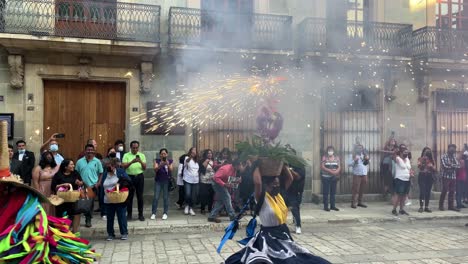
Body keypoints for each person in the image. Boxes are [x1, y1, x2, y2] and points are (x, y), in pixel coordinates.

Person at [223, 165, 330, 264]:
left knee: (304, 258)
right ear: (266, 185)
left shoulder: (279, 195)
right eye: (273, 184)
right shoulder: (261, 197)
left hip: (283, 234)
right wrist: (258, 164)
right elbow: (258, 183)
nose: (276, 186)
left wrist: (281, 162)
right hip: (268, 237)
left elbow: (290, 178)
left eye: (278, 184)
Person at [51, 159, 84, 233]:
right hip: (61, 199)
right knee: (61, 215)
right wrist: (62, 185)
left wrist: (79, 183)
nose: (73, 166)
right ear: (66, 166)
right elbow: (53, 186)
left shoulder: (75, 173)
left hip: (72, 199)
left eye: (73, 164)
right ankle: (62, 231)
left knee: (74, 214)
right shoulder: (58, 175)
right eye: (71, 164)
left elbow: (81, 183)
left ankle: (73, 231)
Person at [76, 144, 104, 227]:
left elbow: (101, 173)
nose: (90, 151)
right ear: (85, 151)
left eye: (91, 150)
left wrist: (98, 183)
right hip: (82, 186)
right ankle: (80, 218)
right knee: (83, 203)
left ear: (94, 151)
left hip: (92, 186)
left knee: (90, 203)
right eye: (88, 150)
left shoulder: (97, 161)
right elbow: (76, 173)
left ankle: (88, 219)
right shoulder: (79, 161)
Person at [104, 158, 131, 241]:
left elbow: (128, 181)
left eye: (110, 166)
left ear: (113, 166)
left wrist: (119, 184)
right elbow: (102, 184)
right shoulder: (105, 174)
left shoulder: (120, 172)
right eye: (107, 166)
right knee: (110, 217)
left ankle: (124, 232)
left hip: (119, 198)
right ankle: (110, 234)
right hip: (108, 198)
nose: (109, 168)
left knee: (121, 216)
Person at [122, 140, 147, 221]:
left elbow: (144, 168)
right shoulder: (126, 155)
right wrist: (132, 162)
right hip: (129, 177)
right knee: (129, 197)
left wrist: (140, 162)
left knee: (140, 196)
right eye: (133, 148)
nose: (135, 149)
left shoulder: (142, 155)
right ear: (130, 147)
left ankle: (141, 215)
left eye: (136, 148)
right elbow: (123, 166)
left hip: (139, 177)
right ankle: (129, 215)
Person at [32, 151, 60, 216]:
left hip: (54, 190)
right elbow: (35, 182)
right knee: (44, 206)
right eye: (47, 157)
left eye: (50, 157)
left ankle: (52, 222)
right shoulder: (38, 168)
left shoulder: (57, 167)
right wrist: (39, 193)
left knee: (53, 206)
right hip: (43, 190)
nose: (49, 158)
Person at [151, 148, 173, 220]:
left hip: (166, 181)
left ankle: (165, 213)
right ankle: (153, 213)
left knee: (165, 198)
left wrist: (167, 164)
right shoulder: (157, 161)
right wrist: (160, 165)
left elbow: (171, 170)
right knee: (156, 197)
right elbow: (155, 170)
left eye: (165, 153)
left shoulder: (170, 161)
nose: (163, 155)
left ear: (167, 154)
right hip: (158, 181)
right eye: (162, 154)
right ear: (160, 154)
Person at [348, 140, 370, 208]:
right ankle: (353, 203)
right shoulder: (352, 155)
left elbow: (367, 163)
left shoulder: (364, 154)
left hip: (364, 174)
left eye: (361, 148)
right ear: (355, 148)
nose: (360, 149)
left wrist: (367, 159)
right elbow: (349, 164)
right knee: (356, 189)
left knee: (362, 189)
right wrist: (355, 160)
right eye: (358, 147)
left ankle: (360, 202)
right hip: (357, 174)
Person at [439, 144, 460, 211]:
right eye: (452, 148)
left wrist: (451, 165)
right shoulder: (443, 156)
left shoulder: (454, 157)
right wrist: (453, 166)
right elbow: (445, 166)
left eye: (454, 149)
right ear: (448, 149)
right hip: (445, 176)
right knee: (444, 190)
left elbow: (458, 166)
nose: (453, 150)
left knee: (452, 191)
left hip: (453, 177)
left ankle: (451, 206)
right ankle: (441, 205)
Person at [392, 148, 413, 216]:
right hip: (400, 179)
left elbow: (409, 168)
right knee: (398, 195)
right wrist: (395, 153)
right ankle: (394, 209)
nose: (406, 153)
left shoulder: (407, 159)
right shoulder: (398, 158)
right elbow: (395, 159)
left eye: (407, 152)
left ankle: (401, 209)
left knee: (404, 195)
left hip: (407, 179)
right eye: (404, 152)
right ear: (401, 153)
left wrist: (411, 174)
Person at [321, 146, 341, 212]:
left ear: (333, 151)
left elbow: (339, 166)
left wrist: (336, 171)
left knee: (333, 192)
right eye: (329, 150)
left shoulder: (337, 158)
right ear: (327, 151)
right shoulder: (324, 157)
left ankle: (333, 206)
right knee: (326, 192)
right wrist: (330, 171)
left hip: (334, 177)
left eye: (331, 150)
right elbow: (322, 166)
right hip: (326, 177)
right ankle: (326, 206)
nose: (330, 152)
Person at [417, 147, 436, 213]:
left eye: (429, 151)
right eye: (426, 151)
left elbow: (434, 169)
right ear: (423, 152)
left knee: (428, 192)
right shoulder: (420, 159)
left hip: (429, 176)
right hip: (422, 176)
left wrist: (431, 167)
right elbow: (420, 167)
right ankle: (421, 206)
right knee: (422, 192)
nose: (427, 153)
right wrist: (424, 162)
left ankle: (426, 207)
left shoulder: (432, 160)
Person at [183, 147, 199, 216]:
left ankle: (191, 208)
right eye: (193, 150)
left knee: (193, 196)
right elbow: (186, 162)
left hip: (195, 180)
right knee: (188, 194)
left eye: (195, 150)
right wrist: (190, 156)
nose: (194, 151)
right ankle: (187, 206)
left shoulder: (197, 160)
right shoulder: (187, 158)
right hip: (187, 179)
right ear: (190, 151)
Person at [199, 149, 216, 214]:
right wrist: (206, 161)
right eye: (208, 153)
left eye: (211, 153)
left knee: (211, 195)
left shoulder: (214, 161)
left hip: (212, 181)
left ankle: (210, 208)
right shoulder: (202, 161)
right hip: (204, 181)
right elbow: (202, 169)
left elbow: (215, 169)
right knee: (204, 195)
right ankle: (202, 208)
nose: (209, 154)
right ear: (206, 154)